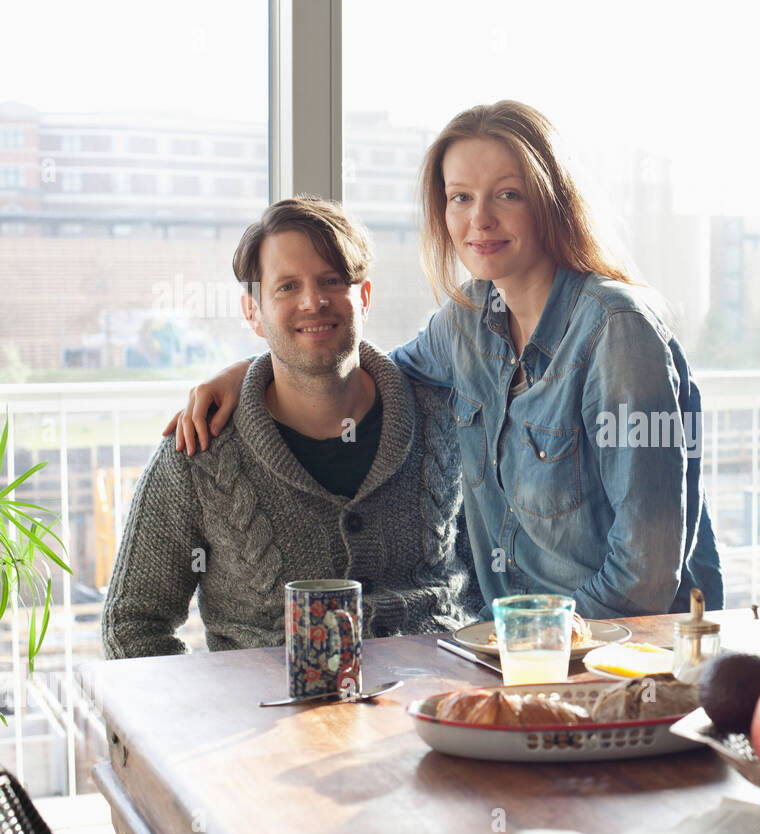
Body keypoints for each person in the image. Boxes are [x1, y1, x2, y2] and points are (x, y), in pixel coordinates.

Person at [168, 101, 723, 620]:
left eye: (507, 195)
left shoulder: (617, 331)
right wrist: (254, 368)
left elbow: (647, 578)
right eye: (460, 196)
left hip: (623, 660)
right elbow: (367, 369)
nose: (478, 219)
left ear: (551, 200)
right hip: (515, 656)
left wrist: (534, 644)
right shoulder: (465, 320)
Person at [105, 196, 479, 658]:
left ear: (363, 297)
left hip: (435, 710)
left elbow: (498, 581)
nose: (313, 301)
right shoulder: (200, 451)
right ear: (253, 312)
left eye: (331, 281)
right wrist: (202, 718)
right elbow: (132, 624)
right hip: (267, 718)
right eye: (286, 287)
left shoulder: (446, 422)